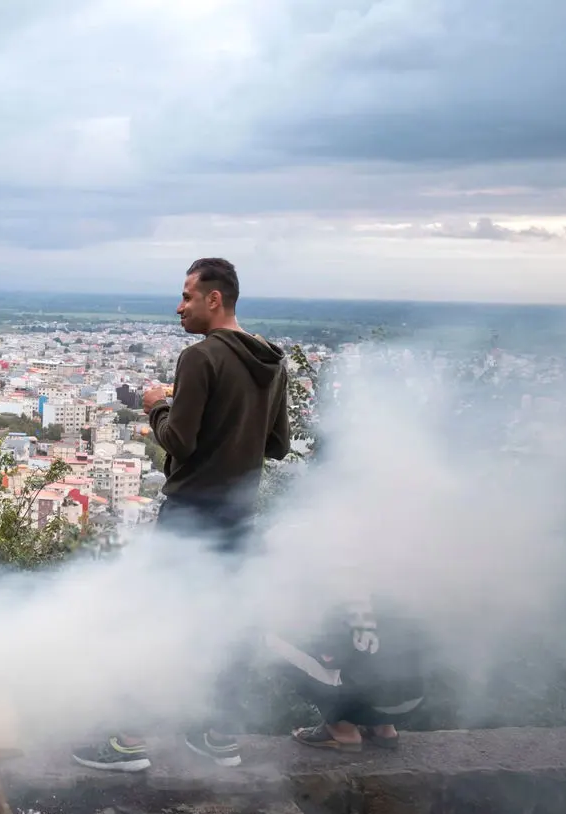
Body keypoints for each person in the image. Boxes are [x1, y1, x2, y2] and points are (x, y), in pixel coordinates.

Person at [73, 257, 290, 772]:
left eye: (188, 296)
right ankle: (218, 738)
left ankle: (129, 741)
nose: (180, 306)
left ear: (215, 299)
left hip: (193, 513)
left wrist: (156, 406)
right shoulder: (271, 360)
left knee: (157, 620)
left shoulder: (201, 359)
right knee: (223, 624)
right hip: (240, 517)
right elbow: (278, 445)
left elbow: (179, 442)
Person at [269, 597, 425, 752]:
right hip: (412, 699)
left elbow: (328, 656)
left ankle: (343, 731)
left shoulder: (330, 599)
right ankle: (384, 729)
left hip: (368, 699)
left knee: (280, 647)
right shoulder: (393, 589)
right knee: (375, 662)